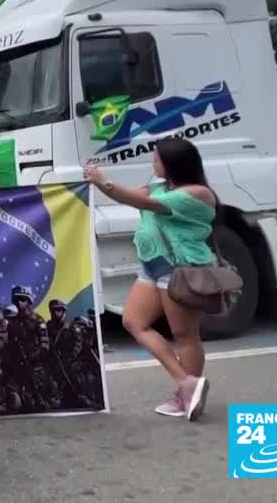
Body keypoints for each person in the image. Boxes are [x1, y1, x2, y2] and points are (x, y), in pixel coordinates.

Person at [85, 138, 216, 421]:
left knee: (185, 336)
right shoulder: (160, 185)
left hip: (181, 268)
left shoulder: (196, 194)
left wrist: (101, 180)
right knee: (133, 321)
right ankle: (187, 384)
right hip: (152, 267)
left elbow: (141, 202)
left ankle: (187, 394)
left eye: (156, 159)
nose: (152, 164)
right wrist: (101, 180)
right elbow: (128, 195)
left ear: (173, 164)